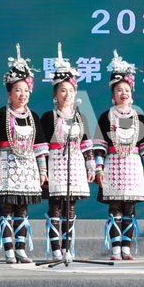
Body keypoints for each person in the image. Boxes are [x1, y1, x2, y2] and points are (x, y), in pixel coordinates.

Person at [0, 44, 47, 263]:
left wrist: (42, 171)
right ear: (9, 92)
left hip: (28, 167)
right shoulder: (0, 115)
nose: (22, 94)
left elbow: (40, 148)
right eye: (18, 90)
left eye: (26, 90)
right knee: (6, 208)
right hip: (7, 166)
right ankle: (8, 249)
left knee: (22, 208)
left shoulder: (34, 116)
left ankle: (21, 248)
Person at [94, 50, 144, 261]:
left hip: (133, 166)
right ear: (113, 95)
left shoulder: (138, 116)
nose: (123, 93)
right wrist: (98, 168)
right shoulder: (106, 116)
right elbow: (99, 146)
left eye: (126, 90)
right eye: (119, 90)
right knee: (115, 208)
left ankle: (126, 247)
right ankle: (115, 248)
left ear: (132, 93)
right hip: (113, 165)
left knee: (130, 208)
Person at [40, 43, 94, 261]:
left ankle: (67, 247)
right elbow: (42, 147)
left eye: (70, 90)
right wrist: (43, 170)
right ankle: (55, 248)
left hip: (75, 162)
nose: (67, 94)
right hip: (55, 162)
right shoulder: (48, 117)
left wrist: (91, 166)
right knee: (55, 204)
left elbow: (86, 144)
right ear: (55, 94)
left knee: (70, 206)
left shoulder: (80, 116)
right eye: (63, 90)